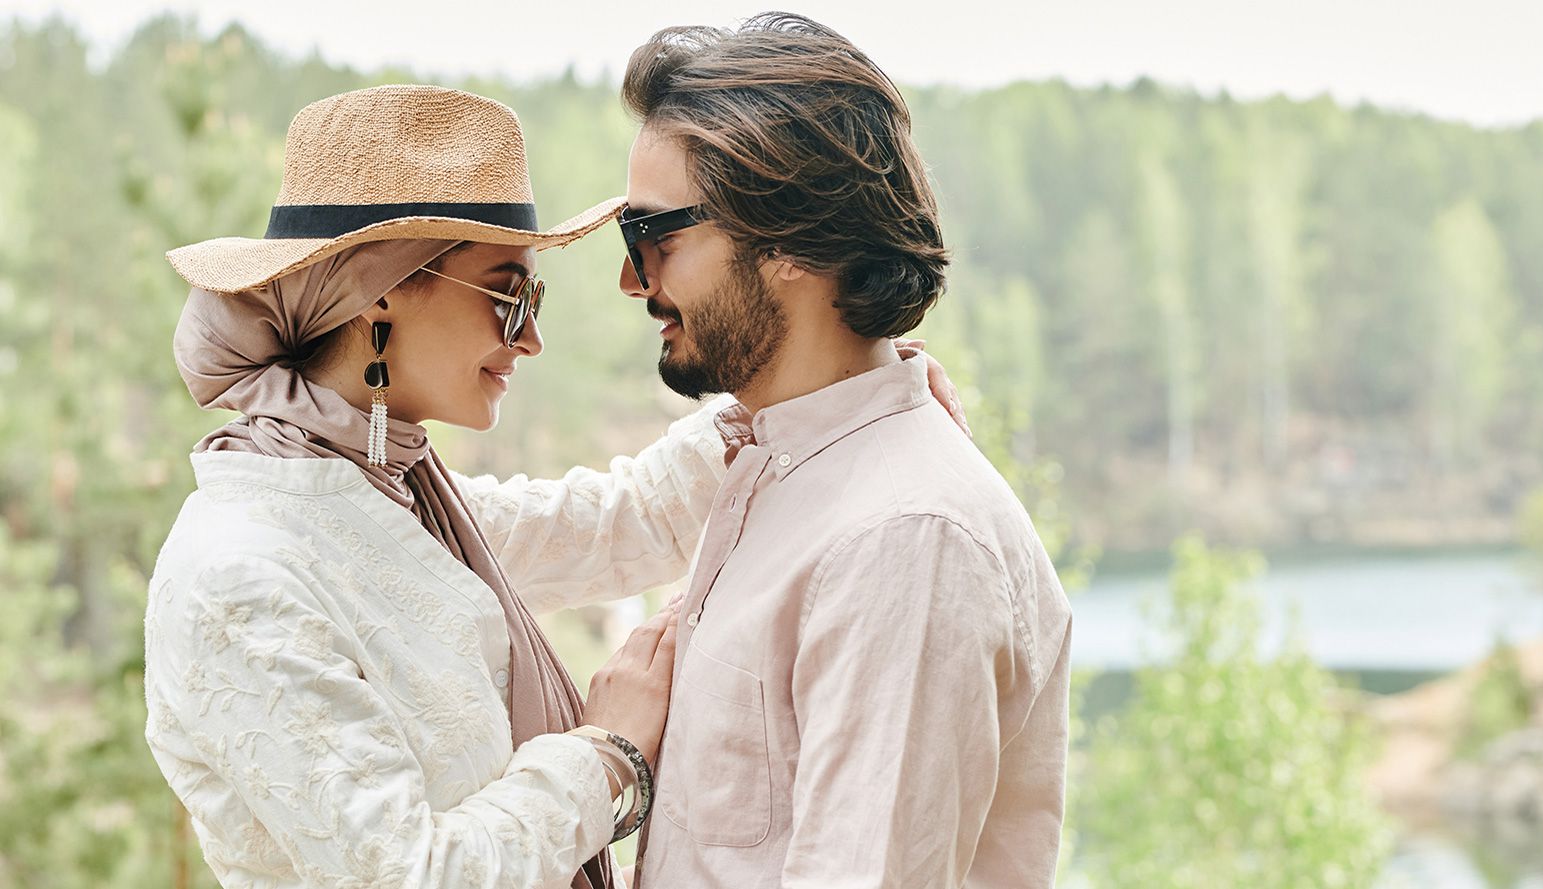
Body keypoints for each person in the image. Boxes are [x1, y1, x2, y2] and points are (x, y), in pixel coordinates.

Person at [146, 84, 704, 889]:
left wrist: (828, 381)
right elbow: (412, 873)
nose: (534, 339)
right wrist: (605, 755)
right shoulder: (244, 572)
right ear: (381, 293)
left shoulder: (393, 494)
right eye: (511, 295)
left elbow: (622, 520)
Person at [616, 14, 1073, 888]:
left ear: (789, 241)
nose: (635, 279)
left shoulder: (904, 538)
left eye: (657, 239)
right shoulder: (775, 468)